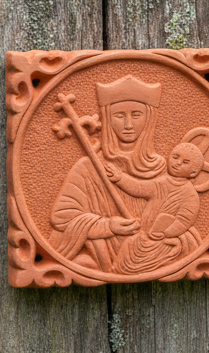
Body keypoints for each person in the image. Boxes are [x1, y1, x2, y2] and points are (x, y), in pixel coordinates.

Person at [50, 75, 169, 272]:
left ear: (149, 119)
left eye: (137, 115)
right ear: (107, 117)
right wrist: (108, 226)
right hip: (102, 260)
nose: (128, 124)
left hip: (152, 257)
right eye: (120, 116)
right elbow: (62, 217)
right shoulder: (88, 167)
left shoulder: (161, 168)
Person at [106, 141, 204, 275]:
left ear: (193, 172)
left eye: (185, 162)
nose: (178, 163)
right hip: (144, 236)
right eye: (175, 157)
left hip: (162, 240)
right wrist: (120, 178)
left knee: (149, 256)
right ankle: (118, 271)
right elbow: (140, 188)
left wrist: (166, 233)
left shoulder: (190, 195)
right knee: (129, 246)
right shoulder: (162, 183)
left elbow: (184, 220)